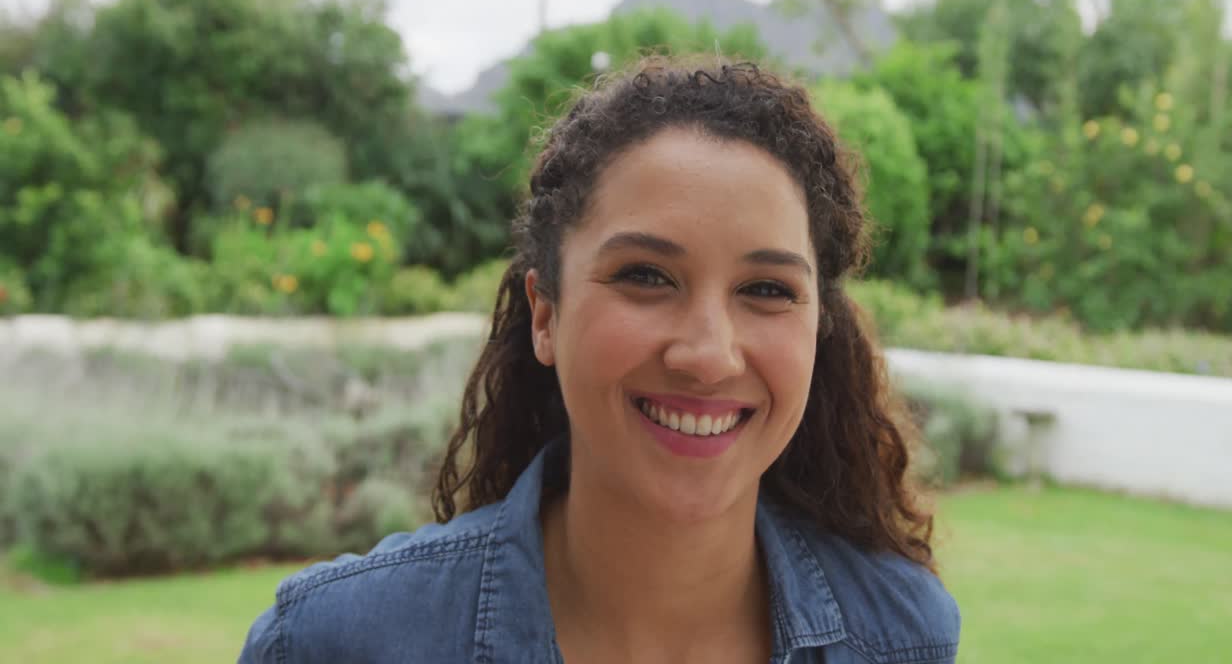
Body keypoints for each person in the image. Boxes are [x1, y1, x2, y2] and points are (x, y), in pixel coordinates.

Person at [238, 56, 960, 663]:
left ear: (818, 330)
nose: (707, 354)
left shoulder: (899, 635)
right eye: (646, 276)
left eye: (767, 289)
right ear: (545, 314)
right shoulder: (338, 643)